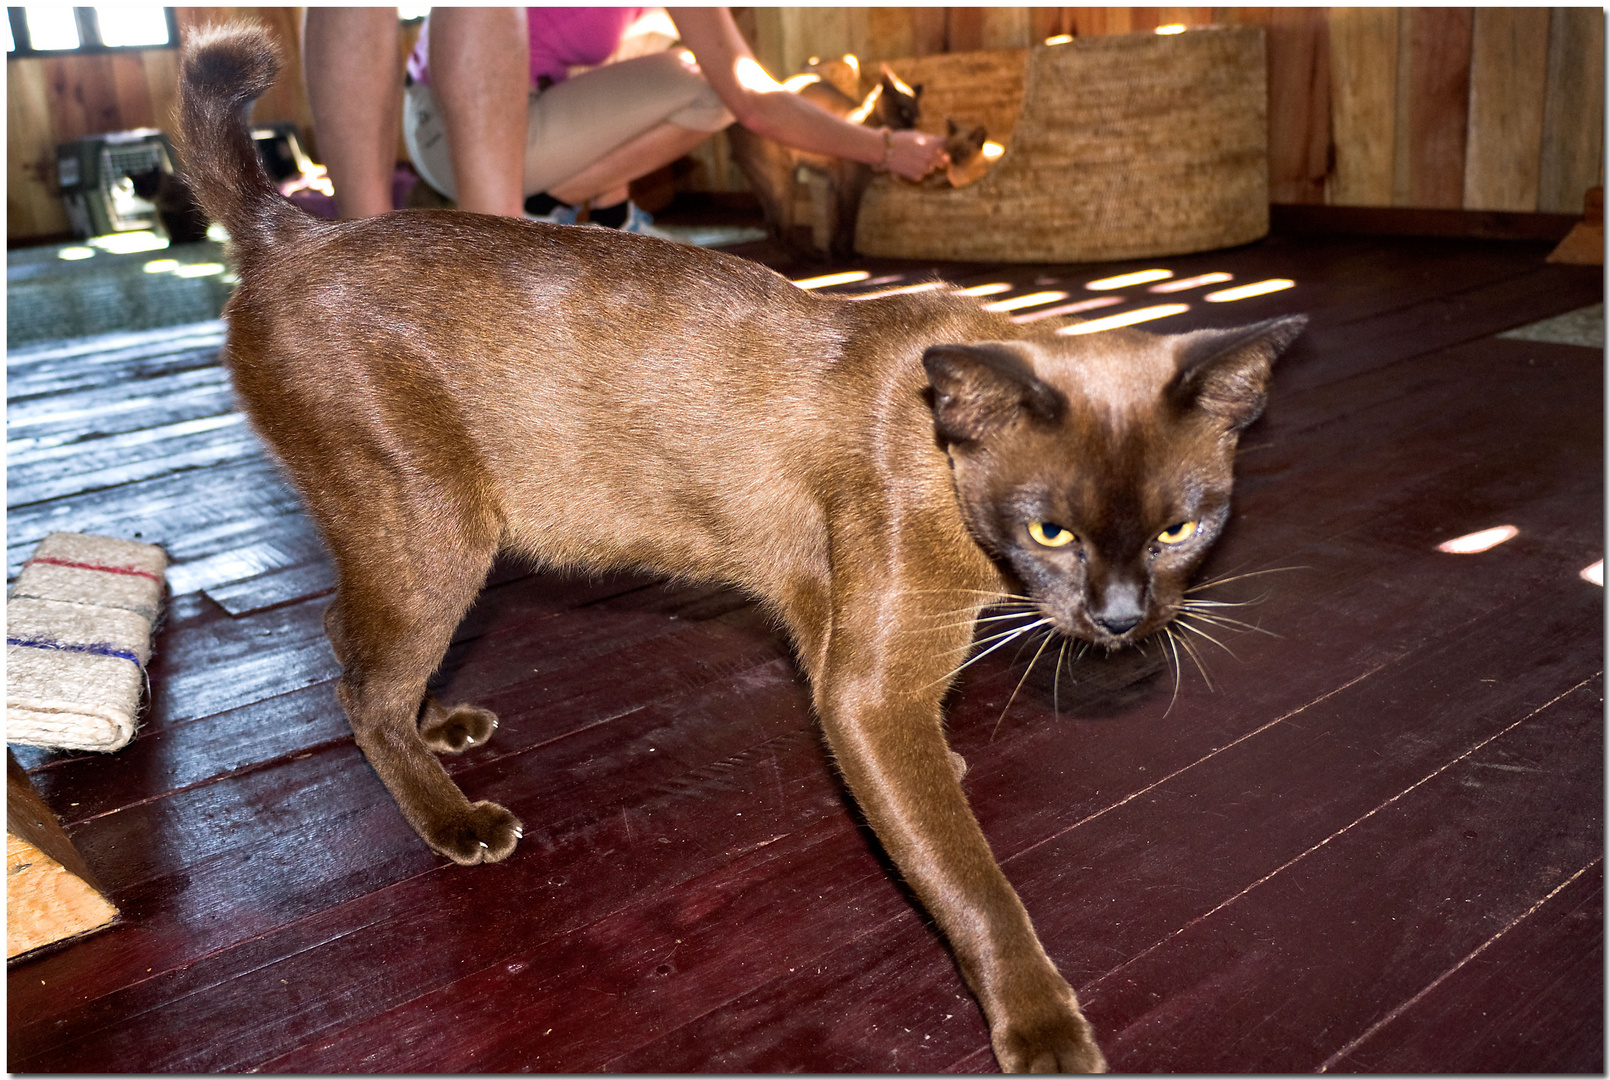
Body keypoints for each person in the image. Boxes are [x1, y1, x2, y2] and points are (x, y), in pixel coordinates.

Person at [304, 7, 949, 227]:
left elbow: (752, 94)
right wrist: (884, 149)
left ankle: (556, 209)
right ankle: (494, 248)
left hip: (531, 131)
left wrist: (882, 146)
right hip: (447, 125)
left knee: (712, 83)